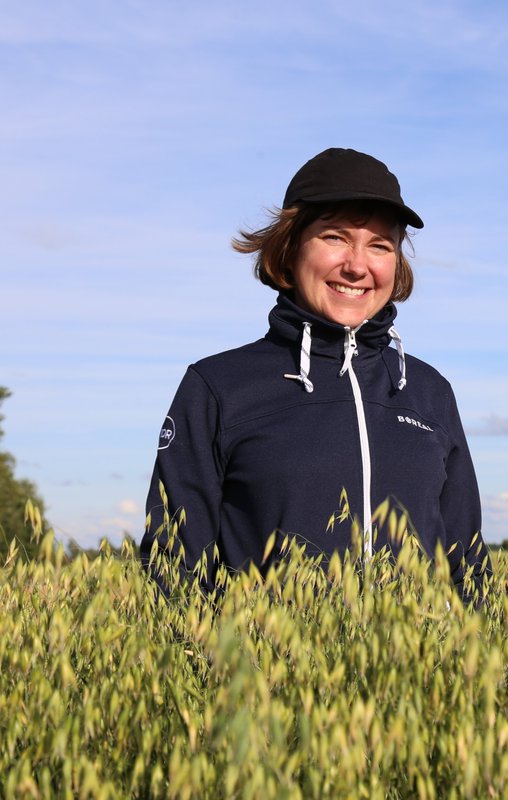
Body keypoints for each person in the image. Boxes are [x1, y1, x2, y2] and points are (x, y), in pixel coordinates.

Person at [141, 147, 488, 593]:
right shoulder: (217, 387)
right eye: (334, 238)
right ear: (289, 247)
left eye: (380, 246)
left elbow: (468, 567)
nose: (357, 265)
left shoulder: (428, 390)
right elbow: (174, 572)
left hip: (419, 664)